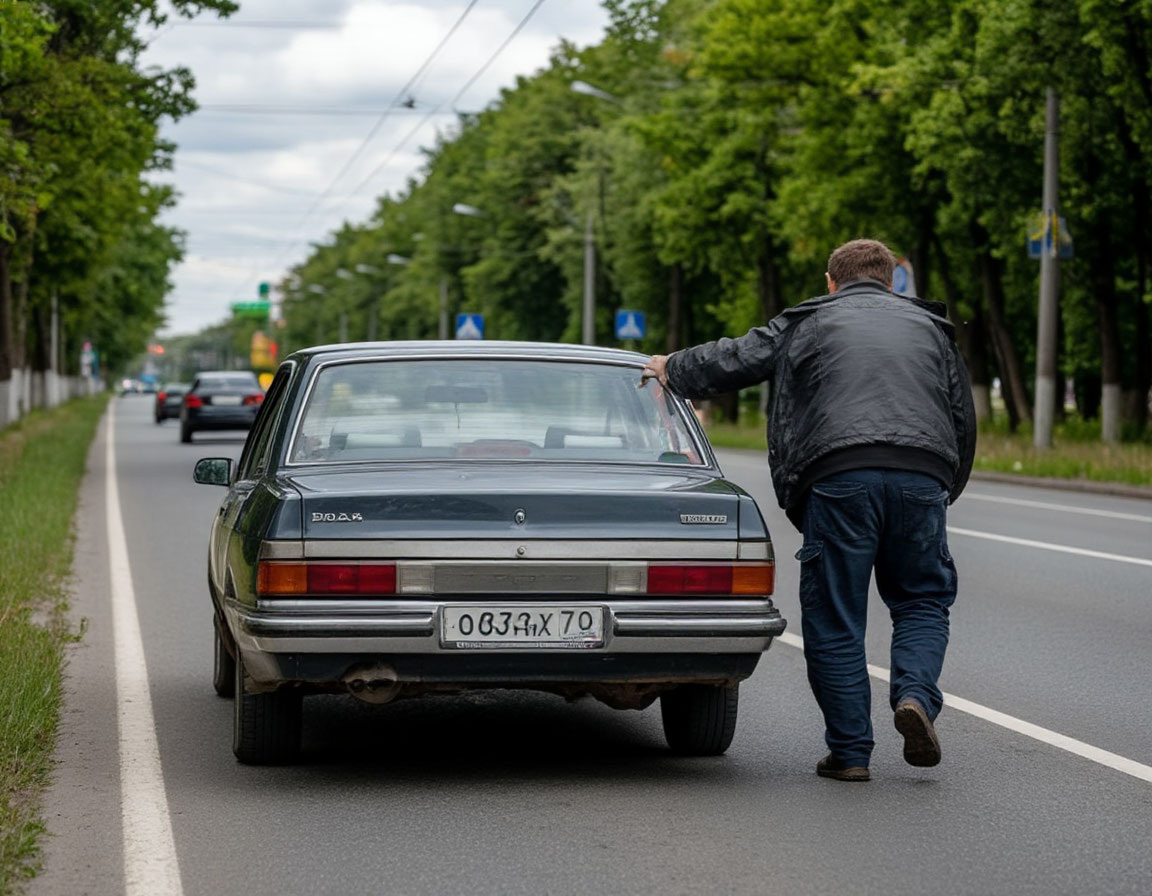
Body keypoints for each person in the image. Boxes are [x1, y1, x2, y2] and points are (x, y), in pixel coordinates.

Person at [642, 238, 976, 782]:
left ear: (830, 281)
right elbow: (961, 417)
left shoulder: (811, 320)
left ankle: (850, 753)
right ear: (891, 281)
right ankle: (914, 696)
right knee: (921, 602)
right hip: (922, 474)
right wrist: (943, 488)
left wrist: (672, 367)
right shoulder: (932, 328)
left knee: (835, 618)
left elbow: (739, 357)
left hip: (838, 475)